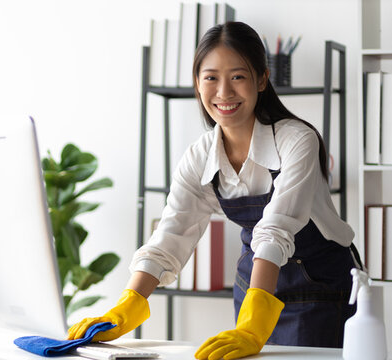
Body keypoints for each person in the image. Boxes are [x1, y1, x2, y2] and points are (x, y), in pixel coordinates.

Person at [67, 22, 361, 360]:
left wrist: (254, 324)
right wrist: (127, 305)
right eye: (210, 78)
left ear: (261, 80)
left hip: (320, 291)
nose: (223, 92)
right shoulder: (199, 156)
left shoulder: (297, 141)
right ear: (197, 83)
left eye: (237, 77)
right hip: (254, 288)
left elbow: (277, 227)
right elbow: (171, 235)